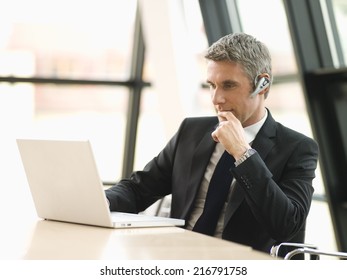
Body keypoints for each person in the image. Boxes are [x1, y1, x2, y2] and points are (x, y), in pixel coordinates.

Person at [105, 32, 319, 257]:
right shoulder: (192, 131)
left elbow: (286, 224)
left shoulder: (297, 148)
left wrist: (243, 153)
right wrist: (100, 202)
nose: (216, 99)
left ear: (262, 84)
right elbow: (139, 188)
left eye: (228, 85)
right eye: (211, 85)